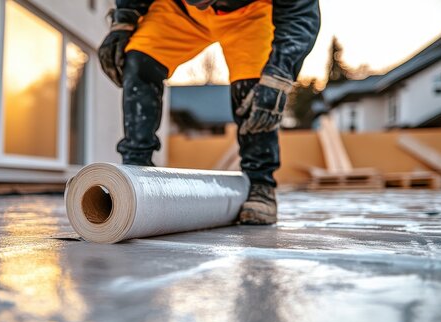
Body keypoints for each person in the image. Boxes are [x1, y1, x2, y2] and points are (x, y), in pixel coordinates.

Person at [98, 0, 320, 225]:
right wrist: (125, 19)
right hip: (179, 10)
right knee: (139, 60)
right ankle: (136, 171)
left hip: (248, 12)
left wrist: (279, 74)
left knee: (255, 89)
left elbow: (300, 13)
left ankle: (260, 184)